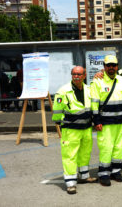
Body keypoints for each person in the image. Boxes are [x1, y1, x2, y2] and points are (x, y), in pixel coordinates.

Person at [52, 66, 97, 194]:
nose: (76, 76)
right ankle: (71, 182)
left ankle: (84, 175)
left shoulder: (89, 89)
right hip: (71, 130)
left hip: (86, 128)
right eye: (74, 74)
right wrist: (59, 124)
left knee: (85, 153)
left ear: (84, 75)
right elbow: (57, 111)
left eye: (79, 74)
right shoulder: (63, 91)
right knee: (70, 155)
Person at [91, 55, 122, 186]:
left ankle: (116, 171)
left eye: (113, 65)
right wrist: (96, 120)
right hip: (105, 122)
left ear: (117, 66)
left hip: (121, 121)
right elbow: (94, 103)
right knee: (106, 148)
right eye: (108, 65)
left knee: (119, 148)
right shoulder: (97, 81)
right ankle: (103, 173)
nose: (111, 68)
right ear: (104, 66)